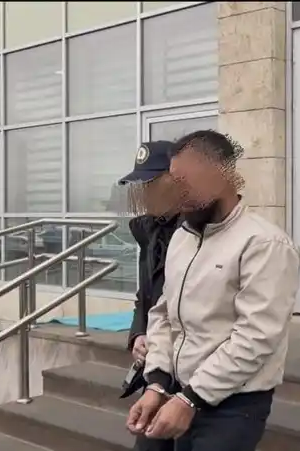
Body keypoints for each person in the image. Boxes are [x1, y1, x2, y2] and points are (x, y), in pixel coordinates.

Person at [126, 130, 300, 451]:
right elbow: (163, 314)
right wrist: (156, 382)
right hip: (176, 389)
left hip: (233, 404)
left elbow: (256, 338)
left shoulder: (265, 244)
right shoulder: (183, 237)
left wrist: (190, 399)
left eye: (186, 183)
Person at [118, 140, 183, 451]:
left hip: (191, 364)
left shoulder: (199, 231)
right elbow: (145, 296)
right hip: (157, 363)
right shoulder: (150, 231)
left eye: (153, 183)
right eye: (142, 185)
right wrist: (138, 334)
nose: (145, 193)